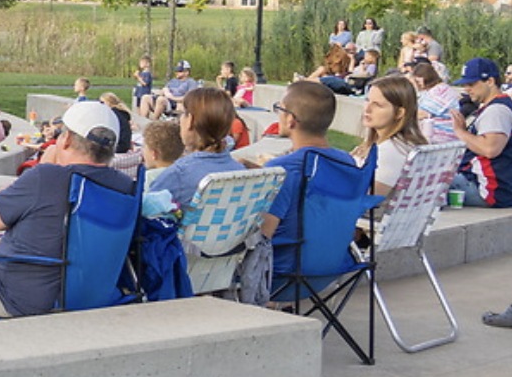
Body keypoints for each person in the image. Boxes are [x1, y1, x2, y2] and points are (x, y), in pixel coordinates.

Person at [0, 103, 129, 320]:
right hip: (90, 298)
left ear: (67, 140)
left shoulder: (46, 177)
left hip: (17, 301)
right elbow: (68, 246)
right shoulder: (127, 187)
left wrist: (42, 167)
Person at [256, 81, 352, 279]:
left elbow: (263, 233)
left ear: (291, 120)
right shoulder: (346, 161)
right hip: (332, 269)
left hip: (284, 274)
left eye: (280, 109)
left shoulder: (282, 170)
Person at [149, 87, 243, 209]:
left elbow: (145, 210)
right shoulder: (240, 171)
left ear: (190, 121)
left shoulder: (179, 174)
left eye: (183, 114)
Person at [449, 57, 512, 208]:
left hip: (488, 189)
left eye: (471, 84)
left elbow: (490, 149)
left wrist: (460, 132)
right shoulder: (496, 106)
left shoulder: (497, 110)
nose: (466, 89)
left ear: (490, 81)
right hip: (491, 186)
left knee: (422, 184)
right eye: (465, 85)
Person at [355, 74, 425, 197]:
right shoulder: (402, 143)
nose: (367, 109)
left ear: (399, 113)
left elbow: (368, 197)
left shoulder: (391, 150)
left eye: (378, 105)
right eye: (367, 100)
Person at [405, 57, 457, 140]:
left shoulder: (441, 91)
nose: (417, 84)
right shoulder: (429, 91)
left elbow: (421, 114)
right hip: (431, 134)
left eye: (418, 81)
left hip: (443, 136)